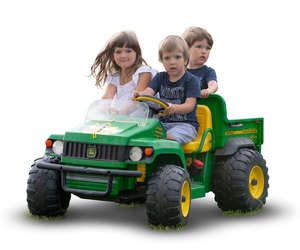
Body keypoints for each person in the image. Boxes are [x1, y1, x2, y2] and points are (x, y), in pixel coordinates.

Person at [132, 35, 201, 145]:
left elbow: (189, 106)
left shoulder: (192, 80)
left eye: (177, 57)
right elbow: (148, 93)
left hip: (185, 125)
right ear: (162, 61)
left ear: (185, 60)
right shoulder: (160, 77)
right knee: (139, 135)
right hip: (161, 124)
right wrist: (139, 94)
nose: (172, 62)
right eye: (167, 58)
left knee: (167, 139)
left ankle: (168, 157)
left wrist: (174, 108)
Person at [90, 30, 157, 107]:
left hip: (141, 116)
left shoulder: (144, 73)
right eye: (118, 52)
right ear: (113, 56)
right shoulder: (115, 77)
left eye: (128, 51)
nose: (123, 56)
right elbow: (106, 99)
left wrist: (121, 112)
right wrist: (105, 110)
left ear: (137, 53)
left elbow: (138, 100)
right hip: (121, 117)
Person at [182, 26, 218, 98]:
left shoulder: (208, 71)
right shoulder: (179, 71)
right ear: (186, 49)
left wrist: (209, 90)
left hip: (201, 106)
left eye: (207, 48)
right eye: (199, 47)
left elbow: (213, 84)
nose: (204, 51)